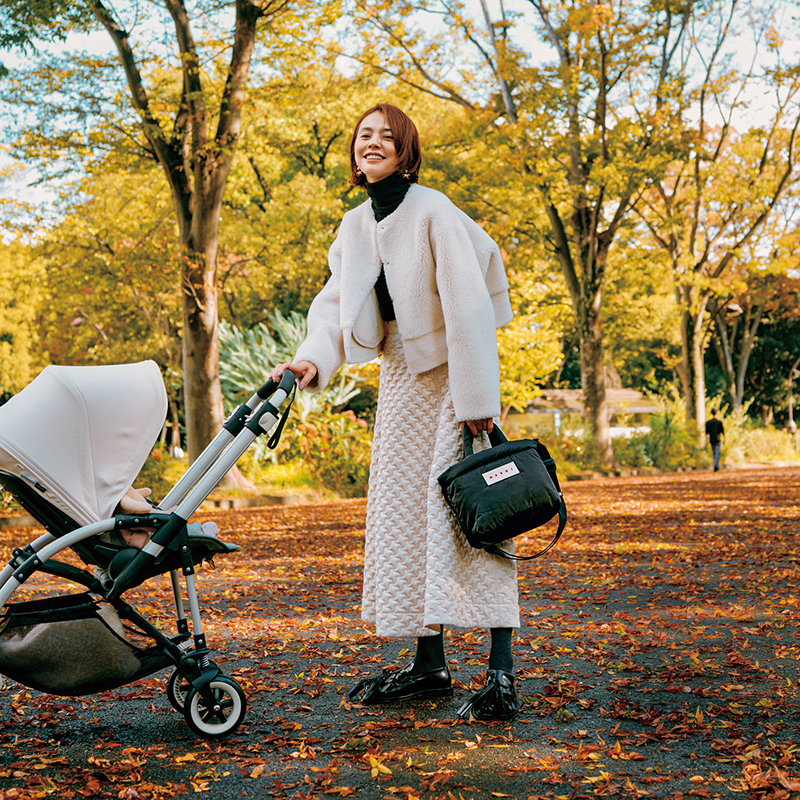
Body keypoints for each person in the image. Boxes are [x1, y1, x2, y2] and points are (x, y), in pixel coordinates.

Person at [269, 103, 520, 721]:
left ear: (406, 151)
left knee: (476, 518)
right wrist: (310, 361)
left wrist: (477, 404)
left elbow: (467, 309)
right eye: (363, 136)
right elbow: (334, 302)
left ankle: (502, 674)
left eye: (386, 136)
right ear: (354, 153)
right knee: (406, 520)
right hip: (402, 382)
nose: (372, 143)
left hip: (453, 383)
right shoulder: (355, 226)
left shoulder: (432, 209)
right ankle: (430, 666)